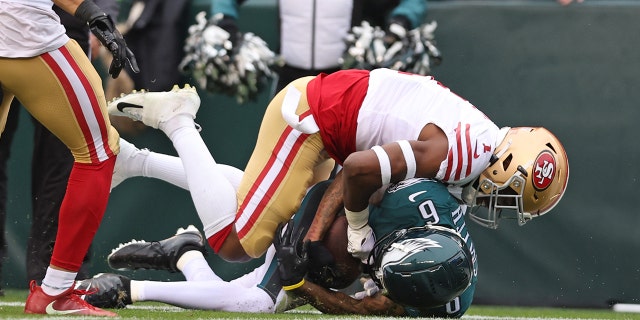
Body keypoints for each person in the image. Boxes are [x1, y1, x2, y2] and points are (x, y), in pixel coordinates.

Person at [107, 67, 569, 265]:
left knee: (258, 202)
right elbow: (361, 168)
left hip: (336, 116)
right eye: (508, 197)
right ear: (506, 165)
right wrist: (358, 229)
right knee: (235, 242)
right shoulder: (462, 153)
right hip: (313, 119)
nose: (498, 206)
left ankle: (133, 162)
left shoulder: (482, 141)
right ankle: (177, 121)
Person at [78, 178, 478, 317]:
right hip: (324, 220)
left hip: (339, 263)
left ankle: (186, 253)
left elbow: (355, 307)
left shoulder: (438, 303)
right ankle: (127, 290)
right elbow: (355, 171)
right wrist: (313, 237)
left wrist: (300, 286)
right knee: (256, 302)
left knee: (243, 294)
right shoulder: (419, 198)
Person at [0, 0, 138, 316]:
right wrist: (93, 13)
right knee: (99, 154)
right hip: (25, 35)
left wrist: (93, 12)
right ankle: (56, 291)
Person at [209, 0, 427, 92]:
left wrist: (402, 21)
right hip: (289, 80)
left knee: (343, 160)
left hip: (346, 80)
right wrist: (224, 21)